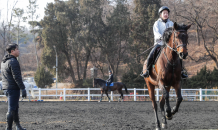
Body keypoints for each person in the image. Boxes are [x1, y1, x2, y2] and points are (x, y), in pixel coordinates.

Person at [141, 6, 188, 79]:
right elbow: (156, 33)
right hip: (160, 43)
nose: (166, 14)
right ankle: (147, 70)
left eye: (167, 13)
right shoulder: (156, 23)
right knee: (151, 54)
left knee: (179, 55)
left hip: (170, 45)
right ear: (160, 15)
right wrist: (161, 37)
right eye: (164, 13)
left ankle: (181, 71)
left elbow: (174, 33)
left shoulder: (172, 23)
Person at [1, 43, 27, 130]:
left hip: (6, 88)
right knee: (12, 109)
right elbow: (17, 77)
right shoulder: (13, 61)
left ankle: (18, 126)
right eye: (17, 49)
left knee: (15, 108)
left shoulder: (4, 61)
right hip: (13, 89)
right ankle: (8, 128)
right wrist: (23, 88)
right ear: (12, 51)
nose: (19, 51)